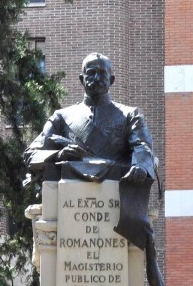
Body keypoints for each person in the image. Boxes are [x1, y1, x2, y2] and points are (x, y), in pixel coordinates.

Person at [23, 52, 157, 248]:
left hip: (116, 191)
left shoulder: (130, 115)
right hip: (70, 191)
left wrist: (140, 166)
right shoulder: (62, 117)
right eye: (91, 73)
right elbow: (31, 154)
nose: (96, 78)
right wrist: (59, 154)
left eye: (102, 73)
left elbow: (142, 146)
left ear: (111, 79)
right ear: (81, 79)